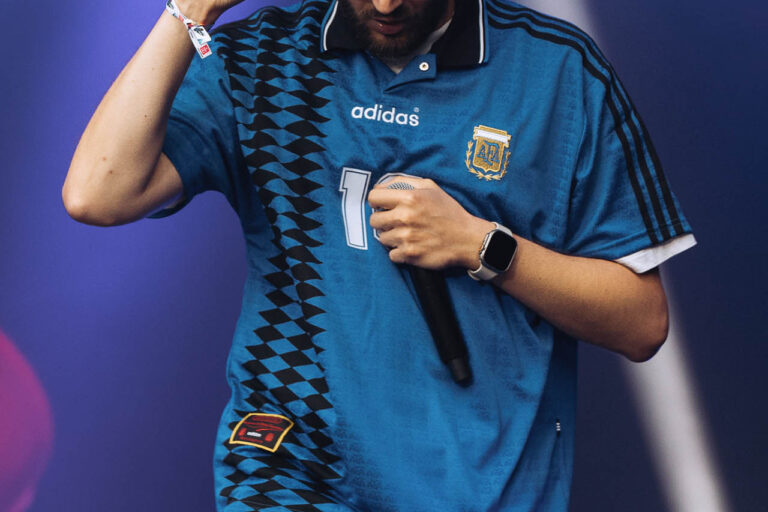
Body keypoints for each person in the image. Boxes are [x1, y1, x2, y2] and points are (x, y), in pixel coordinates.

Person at [64, 0, 696, 509]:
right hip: (293, 466)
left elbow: (641, 322)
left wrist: (484, 247)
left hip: (480, 483)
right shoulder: (264, 60)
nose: (386, 5)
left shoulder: (560, 72)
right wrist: (191, 9)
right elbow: (97, 192)